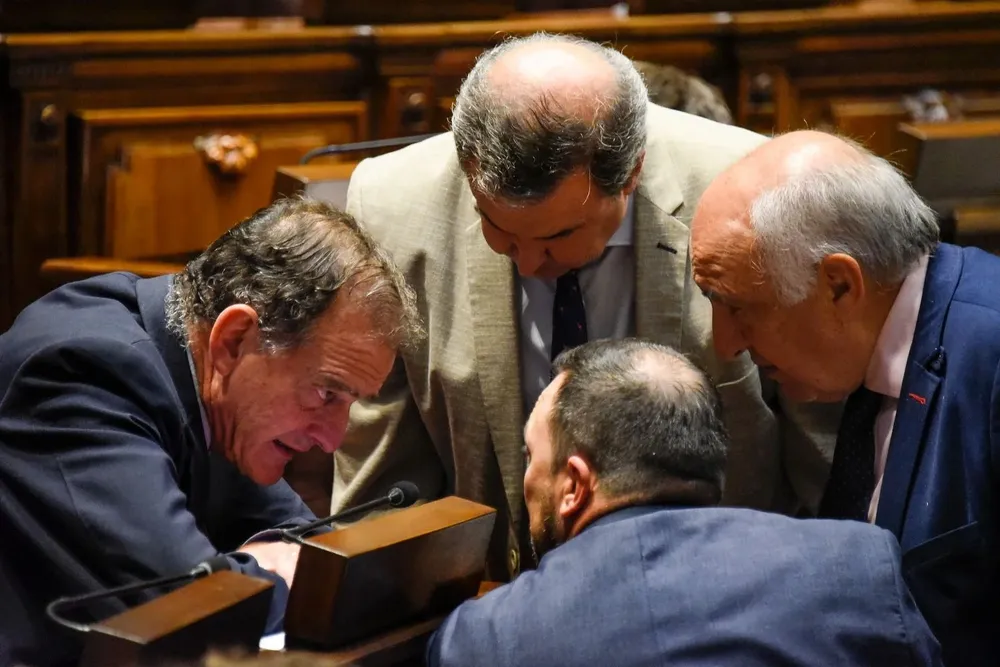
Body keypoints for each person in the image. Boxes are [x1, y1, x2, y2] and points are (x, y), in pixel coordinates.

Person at [333, 31, 840, 581]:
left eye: (556, 238)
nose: (526, 263)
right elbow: (383, 475)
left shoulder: (754, 192)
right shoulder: (393, 203)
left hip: (728, 594)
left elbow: (819, 442)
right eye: (496, 227)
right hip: (499, 605)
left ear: (631, 175)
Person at [0, 198, 419, 667]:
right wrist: (268, 570)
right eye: (326, 394)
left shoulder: (215, 389)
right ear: (234, 339)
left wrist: (277, 569)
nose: (332, 439)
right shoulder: (82, 373)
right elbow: (189, 600)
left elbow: (311, 552)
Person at [426, 339, 942, 667]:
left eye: (531, 454)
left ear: (574, 485)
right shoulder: (857, 568)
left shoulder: (487, 641)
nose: (526, 474)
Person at [690, 129, 1000, 666]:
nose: (725, 343)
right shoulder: (871, 351)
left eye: (738, 307)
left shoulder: (991, 359)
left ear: (839, 285)